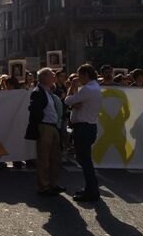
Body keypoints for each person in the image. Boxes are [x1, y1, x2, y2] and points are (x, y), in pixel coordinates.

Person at [65, 64, 103, 202]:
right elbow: (74, 103)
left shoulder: (88, 89)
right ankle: (90, 188)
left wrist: (72, 88)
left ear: (86, 74)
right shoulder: (93, 87)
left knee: (85, 160)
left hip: (84, 128)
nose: (77, 78)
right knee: (84, 159)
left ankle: (92, 190)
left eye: (79, 75)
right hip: (88, 127)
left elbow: (68, 100)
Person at [25, 68, 65, 196]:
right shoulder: (38, 92)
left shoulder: (48, 92)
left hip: (53, 127)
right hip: (44, 127)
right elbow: (34, 111)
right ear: (45, 78)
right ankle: (43, 186)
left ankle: (53, 183)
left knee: (55, 158)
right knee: (44, 158)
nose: (54, 77)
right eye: (52, 75)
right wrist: (37, 127)